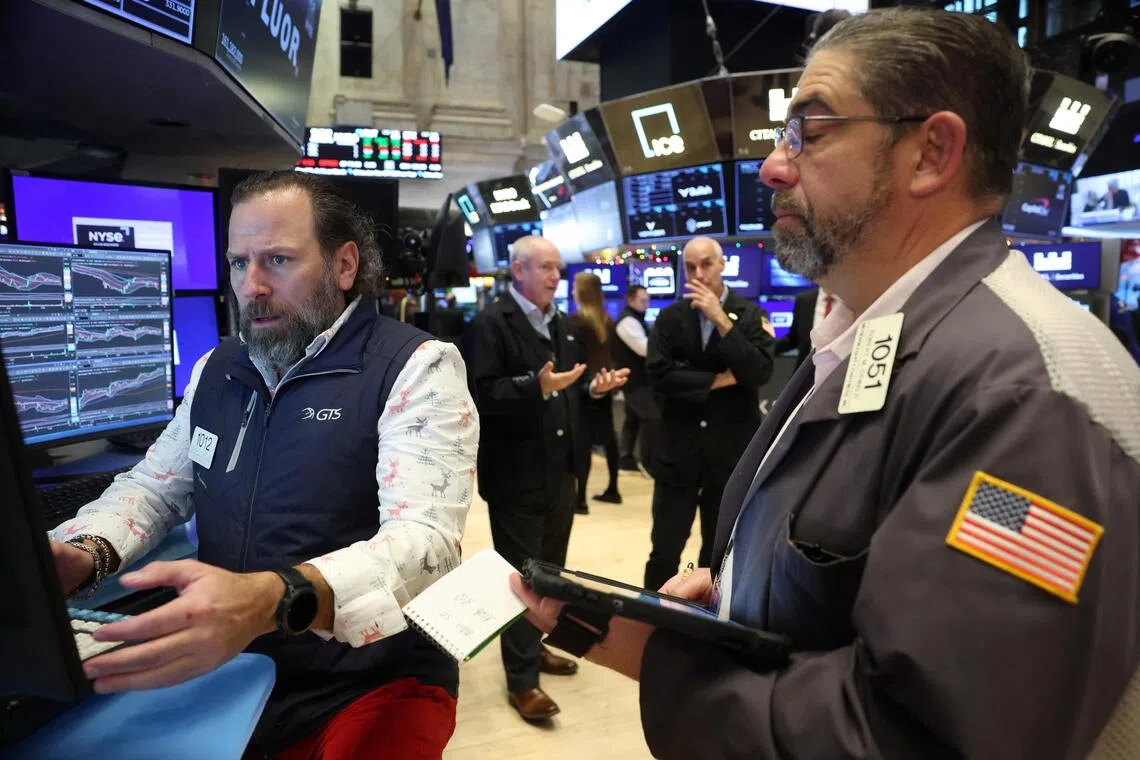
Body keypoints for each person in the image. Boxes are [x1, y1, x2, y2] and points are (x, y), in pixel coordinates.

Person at [512, 9, 1140, 758]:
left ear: (931, 152)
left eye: (810, 131)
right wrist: (734, 607)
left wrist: (670, 665)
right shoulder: (874, 332)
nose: (773, 166)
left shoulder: (1026, 405)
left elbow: (921, 736)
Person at [49, 170, 478, 759]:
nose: (250, 286)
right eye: (236, 263)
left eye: (277, 260)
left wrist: (272, 598)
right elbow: (156, 487)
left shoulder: (414, 367)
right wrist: (83, 551)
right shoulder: (217, 369)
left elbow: (426, 543)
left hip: (367, 680)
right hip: (235, 665)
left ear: (344, 265)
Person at [468, 236, 627, 722]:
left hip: (561, 472)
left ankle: (534, 649)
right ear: (518, 270)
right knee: (521, 577)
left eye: (559, 268)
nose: (556, 276)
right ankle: (522, 681)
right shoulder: (491, 323)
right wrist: (531, 386)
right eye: (546, 268)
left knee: (551, 575)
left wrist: (594, 391)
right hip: (516, 475)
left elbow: (569, 389)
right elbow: (480, 393)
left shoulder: (563, 323)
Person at [642, 236, 776, 591]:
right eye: (690, 266)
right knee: (663, 551)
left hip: (729, 457)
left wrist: (721, 321)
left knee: (717, 557)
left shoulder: (750, 316)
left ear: (721, 265)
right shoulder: (670, 318)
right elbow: (658, 375)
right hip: (678, 453)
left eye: (705, 264)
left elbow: (759, 371)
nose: (698, 273)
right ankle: (650, 622)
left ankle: (704, 631)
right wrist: (717, 380)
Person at [570, 271, 622, 510]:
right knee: (609, 439)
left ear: (581, 292)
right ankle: (613, 488)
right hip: (606, 384)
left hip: (584, 387)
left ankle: (580, 499)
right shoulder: (608, 321)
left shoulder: (576, 322)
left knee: (583, 443)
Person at [614, 284, 654, 472]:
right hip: (635, 381)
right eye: (643, 300)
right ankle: (647, 463)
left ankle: (626, 459)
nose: (647, 304)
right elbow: (644, 348)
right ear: (631, 300)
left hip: (635, 380)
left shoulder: (636, 319)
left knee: (633, 420)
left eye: (648, 300)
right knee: (651, 417)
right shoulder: (628, 322)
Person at [773, 287, 840, 367]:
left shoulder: (851, 303)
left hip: (841, 371)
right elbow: (793, 338)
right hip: (808, 371)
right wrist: (765, 348)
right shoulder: (804, 301)